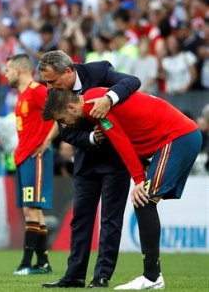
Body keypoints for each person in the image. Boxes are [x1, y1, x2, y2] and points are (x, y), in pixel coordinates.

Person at [43, 88, 201, 290]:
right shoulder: (94, 96)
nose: (63, 125)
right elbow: (129, 124)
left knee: (144, 200)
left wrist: (138, 180)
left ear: (71, 107)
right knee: (144, 201)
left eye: (62, 119)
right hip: (178, 137)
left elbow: (121, 142)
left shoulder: (95, 108)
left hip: (177, 137)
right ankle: (152, 275)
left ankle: (152, 277)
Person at [38, 50, 141, 288]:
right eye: (46, 82)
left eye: (52, 81)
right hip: (86, 162)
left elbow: (132, 82)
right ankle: (74, 276)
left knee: (110, 221)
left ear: (68, 71)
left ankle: (102, 276)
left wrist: (109, 99)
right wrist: (91, 139)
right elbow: (65, 130)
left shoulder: (99, 71)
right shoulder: (56, 91)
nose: (49, 87)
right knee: (81, 220)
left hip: (116, 160)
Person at [4, 54, 56, 275]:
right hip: (24, 156)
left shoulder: (38, 91)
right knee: (34, 211)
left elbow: (59, 115)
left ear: (18, 71)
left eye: (7, 70)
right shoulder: (21, 96)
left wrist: (46, 143)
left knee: (31, 209)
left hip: (37, 156)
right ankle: (43, 263)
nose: (5, 74)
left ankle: (26, 263)